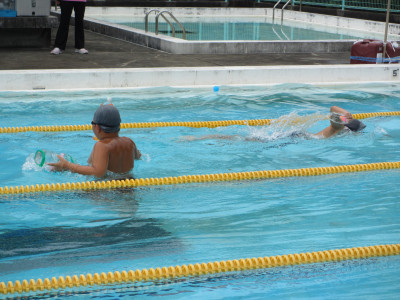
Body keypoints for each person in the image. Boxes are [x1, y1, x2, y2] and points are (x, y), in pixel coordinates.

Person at [48, 104, 141, 177]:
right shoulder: (129, 142)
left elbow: (97, 172)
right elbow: (138, 156)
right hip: (130, 187)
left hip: (106, 192)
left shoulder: (102, 145)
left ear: (97, 127)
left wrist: (67, 165)